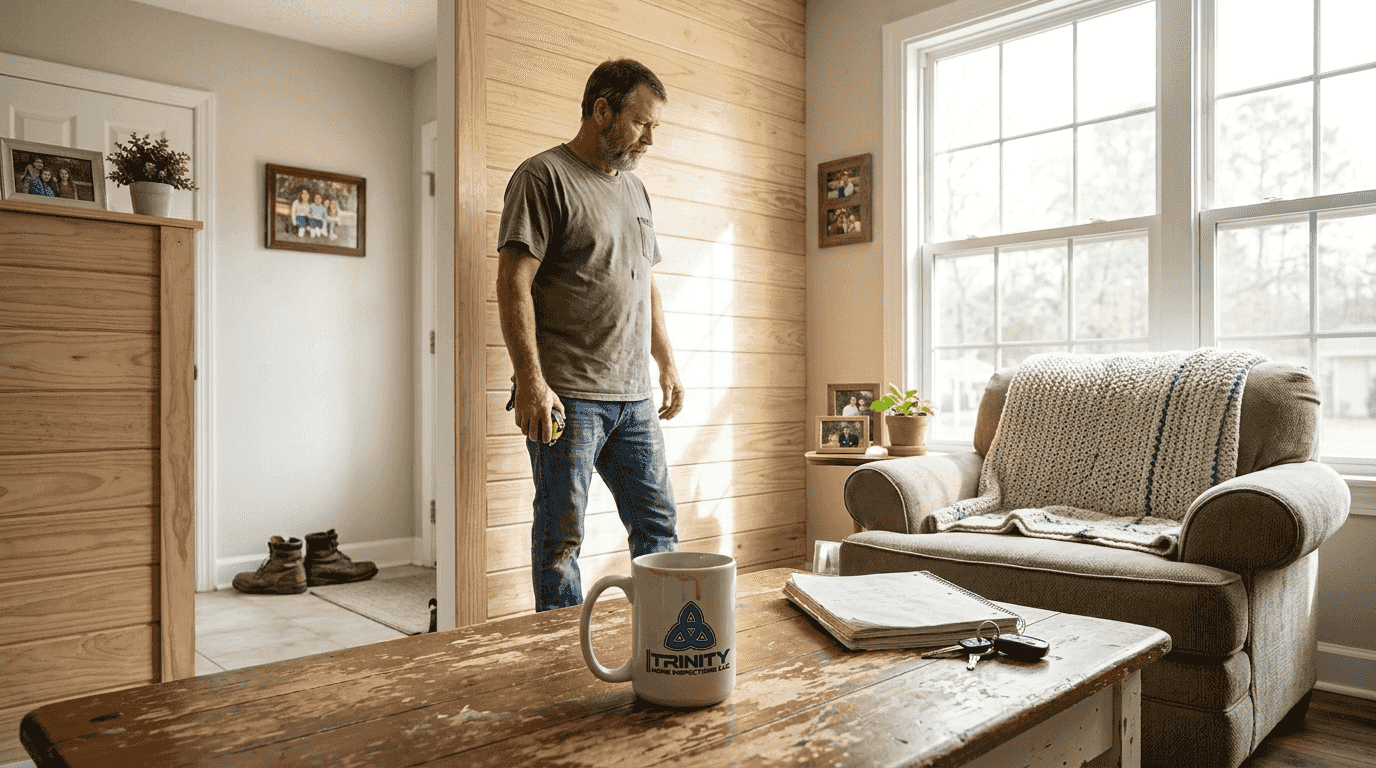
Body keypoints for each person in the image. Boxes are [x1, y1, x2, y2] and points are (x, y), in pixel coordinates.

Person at [496, 58, 682, 612]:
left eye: (654, 127)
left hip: (633, 398)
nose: (650, 137)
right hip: (566, 397)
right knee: (560, 539)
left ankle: (666, 641)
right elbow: (512, 281)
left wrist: (666, 362)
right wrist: (530, 379)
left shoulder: (636, 190)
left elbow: (645, 284)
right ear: (602, 110)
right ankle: (559, 661)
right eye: (641, 122)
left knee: (658, 530)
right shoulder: (542, 176)